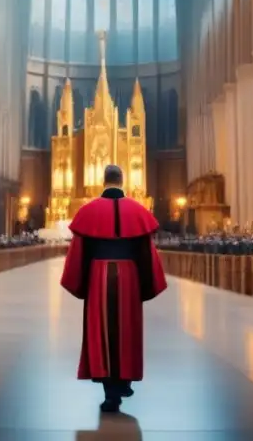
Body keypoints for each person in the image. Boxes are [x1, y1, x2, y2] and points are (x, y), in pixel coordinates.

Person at [60, 164, 167, 413]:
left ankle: (110, 393)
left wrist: (81, 282)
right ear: (122, 180)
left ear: (103, 181)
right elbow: (147, 255)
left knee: (102, 331)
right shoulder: (137, 211)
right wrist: (146, 284)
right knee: (127, 329)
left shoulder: (88, 212)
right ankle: (125, 381)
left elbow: (78, 254)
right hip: (129, 277)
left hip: (99, 276)